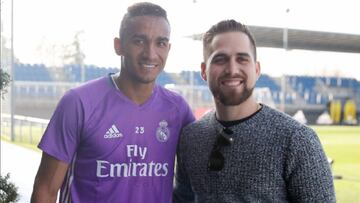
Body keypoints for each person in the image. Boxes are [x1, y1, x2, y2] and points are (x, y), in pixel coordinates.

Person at [31, 2, 195, 203]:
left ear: (168, 49)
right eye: (139, 41)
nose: (150, 53)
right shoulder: (79, 103)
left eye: (160, 43)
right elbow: (45, 190)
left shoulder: (178, 109)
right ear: (119, 46)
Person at [173, 19, 336, 202]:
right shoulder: (190, 137)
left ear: (257, 69)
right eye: (220, 59)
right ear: (204, 71)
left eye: (242, 59)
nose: (232, 69)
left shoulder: (297, 140)